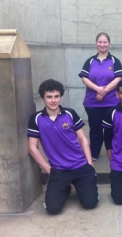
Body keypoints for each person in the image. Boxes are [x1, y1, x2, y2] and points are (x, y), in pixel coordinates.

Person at [28, 79, 99, 215]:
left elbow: (83, 139)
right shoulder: (36, 119)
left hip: (80, 166)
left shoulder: (70, 114)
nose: (53, 100)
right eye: (49, 97)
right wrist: (49, 169)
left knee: (90, 203)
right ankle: (65, 188)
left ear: (60, 97)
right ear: (43, 98)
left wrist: (89, 164)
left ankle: (81, 186)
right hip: (58, 170)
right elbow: (32, 147)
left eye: (56, 96)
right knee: (52, 209)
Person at [79, 32, 122, 161]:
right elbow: (84, 78)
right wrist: (98, 89)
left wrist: (104, 91)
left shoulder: (114, 61)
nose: (102, 44)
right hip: (92, 103)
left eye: (105, 42)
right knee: (95, 129)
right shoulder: (90, 61)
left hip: (111, 102)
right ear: (96, 44)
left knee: (114, 129)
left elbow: (119, 78)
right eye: (100, 42)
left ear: (109, 44)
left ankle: (116, 152)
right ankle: (94, 153)